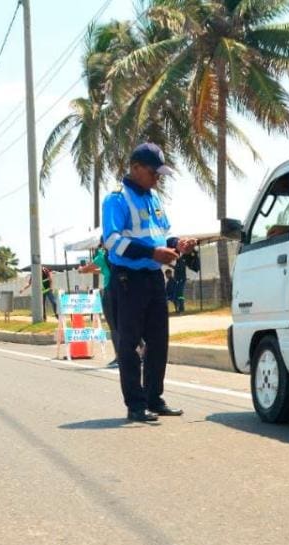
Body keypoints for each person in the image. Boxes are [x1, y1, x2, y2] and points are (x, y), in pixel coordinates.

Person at [102, 142, 197, 423]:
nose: (157, 178)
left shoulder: (154, 198)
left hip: (153, 277)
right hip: (128, 279)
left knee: (158, 341)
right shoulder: (116, 199)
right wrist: (152, 252)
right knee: (130, 344)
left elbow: (160, 234)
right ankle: (136, 405)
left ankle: (154, 398)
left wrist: (177, 244)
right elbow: (112, 241)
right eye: (153, 172)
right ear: (135, 168)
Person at [78, 242, 119, 367]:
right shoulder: (118, 253)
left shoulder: (102, 254)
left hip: (110, 290)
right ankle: (142, 351)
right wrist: (91, 271)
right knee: (127, 323)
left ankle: (120, 357)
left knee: (113, 326)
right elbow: (102, 270)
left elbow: (89, 267)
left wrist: (82, 269)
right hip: (123, 290)